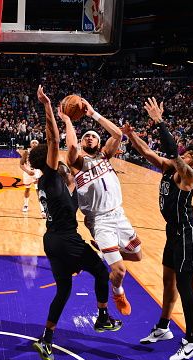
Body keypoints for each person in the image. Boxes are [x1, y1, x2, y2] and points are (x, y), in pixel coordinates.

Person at [30, 86, 121, 360]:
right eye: (53, 155)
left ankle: (46, 337)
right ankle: (103, 317)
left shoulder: (48, 183)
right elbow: (53, 137)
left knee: (64, 290)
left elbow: (73, 179)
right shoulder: (50, 174)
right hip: (66, 239)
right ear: (49, 160)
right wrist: (50, 108)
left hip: (53, 240)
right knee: (100, 272)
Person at [124, 97, 193, 360]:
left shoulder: (188, 176)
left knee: (186, 286)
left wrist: (159, 122)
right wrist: (130, 135)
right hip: (172, 234)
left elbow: (172, 151)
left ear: (192, 164)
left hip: (187, 234)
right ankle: (163, 327)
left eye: (187, 155)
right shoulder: (167, 168)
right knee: (168, 282)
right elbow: (147, 153)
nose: (182, 155)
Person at [62, 97, 142, 316]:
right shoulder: (78, 163)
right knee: (119, 269)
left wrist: (93, 113)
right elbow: (70, 146)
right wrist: (68, 120)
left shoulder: (105, 156)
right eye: (86, 136)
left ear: (99, 143)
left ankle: (108, 252)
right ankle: (118, 291)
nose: (89, 137)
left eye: (93, 136)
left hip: (119, 214)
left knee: (137, 255)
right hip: (99, 220)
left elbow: (118, 135)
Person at [20, 139, 46, 218]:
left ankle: (42, 210)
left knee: (39, 191)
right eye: (33, 142)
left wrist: (41, 175)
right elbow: (21, 164)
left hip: (37, 173)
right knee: (27, 189)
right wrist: (27, 171)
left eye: (36, 143)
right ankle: (26, 205)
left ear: (38, 144)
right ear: (30, 144)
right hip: (28, 173)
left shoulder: (40, 153)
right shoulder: (26, 152)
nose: (34, 144)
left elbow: (43, 165)